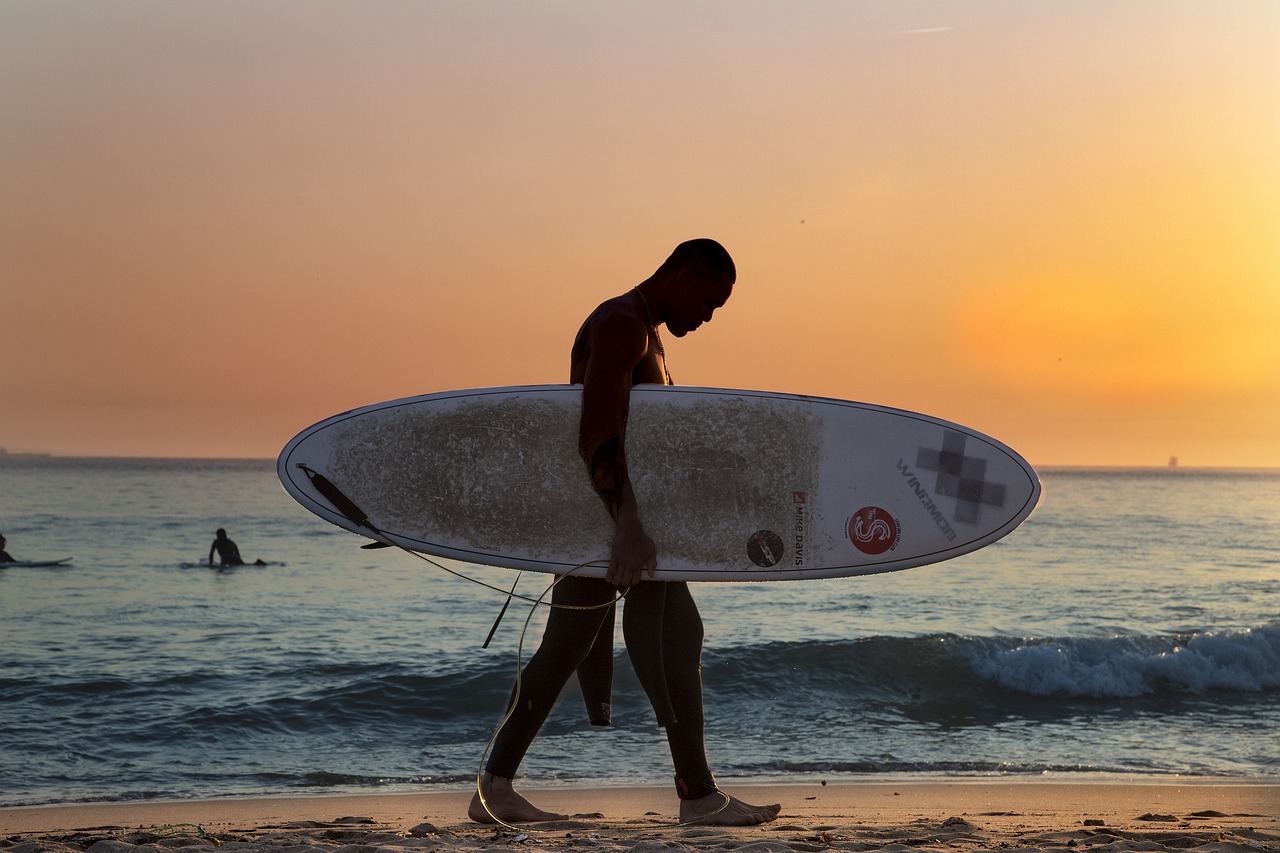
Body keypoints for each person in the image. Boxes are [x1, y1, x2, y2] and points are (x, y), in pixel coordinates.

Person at [468, 239, 781, 826]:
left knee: (590, 645)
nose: (709, 316)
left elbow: (645, 437)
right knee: (663, 639)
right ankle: (696, 797)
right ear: (684, 276)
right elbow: (598, 433)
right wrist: (631, 525)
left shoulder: (643, 330)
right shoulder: (621, 325)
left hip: (605, 519)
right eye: (710, 301)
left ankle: (496, 788)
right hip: (610, 521)